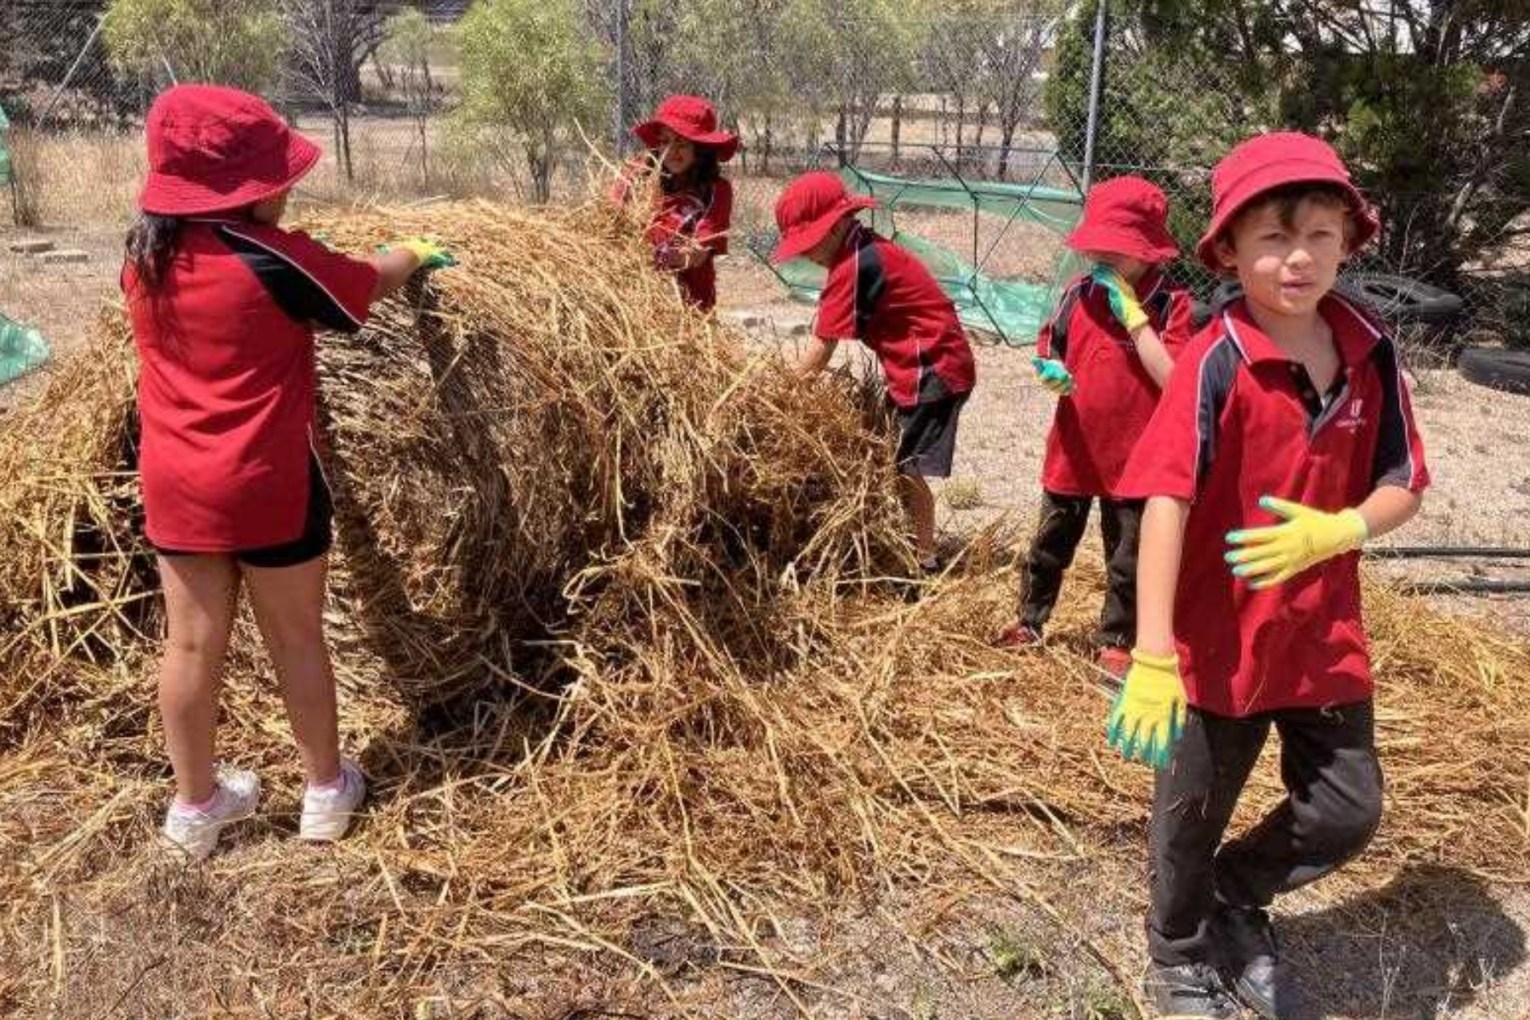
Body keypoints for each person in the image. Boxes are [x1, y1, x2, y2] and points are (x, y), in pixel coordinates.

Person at [1109, 132, 1429, 1018]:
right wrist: (1151, 652)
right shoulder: (1216, 359)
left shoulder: (1372, 349)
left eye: (1320, 235)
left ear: (1347, 241)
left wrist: (1343, 528)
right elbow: (1165, 498)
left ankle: (1236, 893)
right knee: (1190, 811)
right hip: (1217, 639)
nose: (1298, 258)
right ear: (1230, 250)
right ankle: (1176, 954)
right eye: (1273, 238)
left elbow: (1406, 483)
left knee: (1345, 809)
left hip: (1319, 630)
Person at [123, 84, 454, 861]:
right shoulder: (276, 257)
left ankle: (195, 808)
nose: (290, 188)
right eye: (278, 178)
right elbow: (364, 282)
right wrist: (414, 249)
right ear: (243, 190)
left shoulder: (144, 258)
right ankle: (324, 793)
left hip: (176, 484)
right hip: (268, 483)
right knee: (298, 638)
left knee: (190, 648)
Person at [996, 176, 1192, 678]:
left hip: (1136, 457)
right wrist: (1049, 369)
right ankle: (1031, 619)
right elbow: (1050, 344)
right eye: (1096, 249)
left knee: (1126, 555)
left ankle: (1116, 638)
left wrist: (1134, 318)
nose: (1101, 260)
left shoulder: (1171, 303)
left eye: (1117, 251)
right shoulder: (1077, 294)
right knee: (1049, 541)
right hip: (1074, 448)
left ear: (1150, 252)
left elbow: (1175, 379)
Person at [773, 171, 976, 571]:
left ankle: (924, 560)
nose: (805, 254)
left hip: (931, 368)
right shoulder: (860, 251)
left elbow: (821, 347)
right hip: (921, 365)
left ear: (835, 226)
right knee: (884, 451)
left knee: (903, 465)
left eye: (809, 243)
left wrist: (779, 394)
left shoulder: (853, 265)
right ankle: (908, 540)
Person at [612, 94, 737, 311]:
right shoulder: (638, 175)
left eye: (681, 144)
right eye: (665, 142)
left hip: (687, 305)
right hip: (633, 298)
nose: (671, 151)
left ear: (699, 149)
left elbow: (697, 255)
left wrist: (656, 256)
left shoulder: (716, 190)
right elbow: (610, 218)